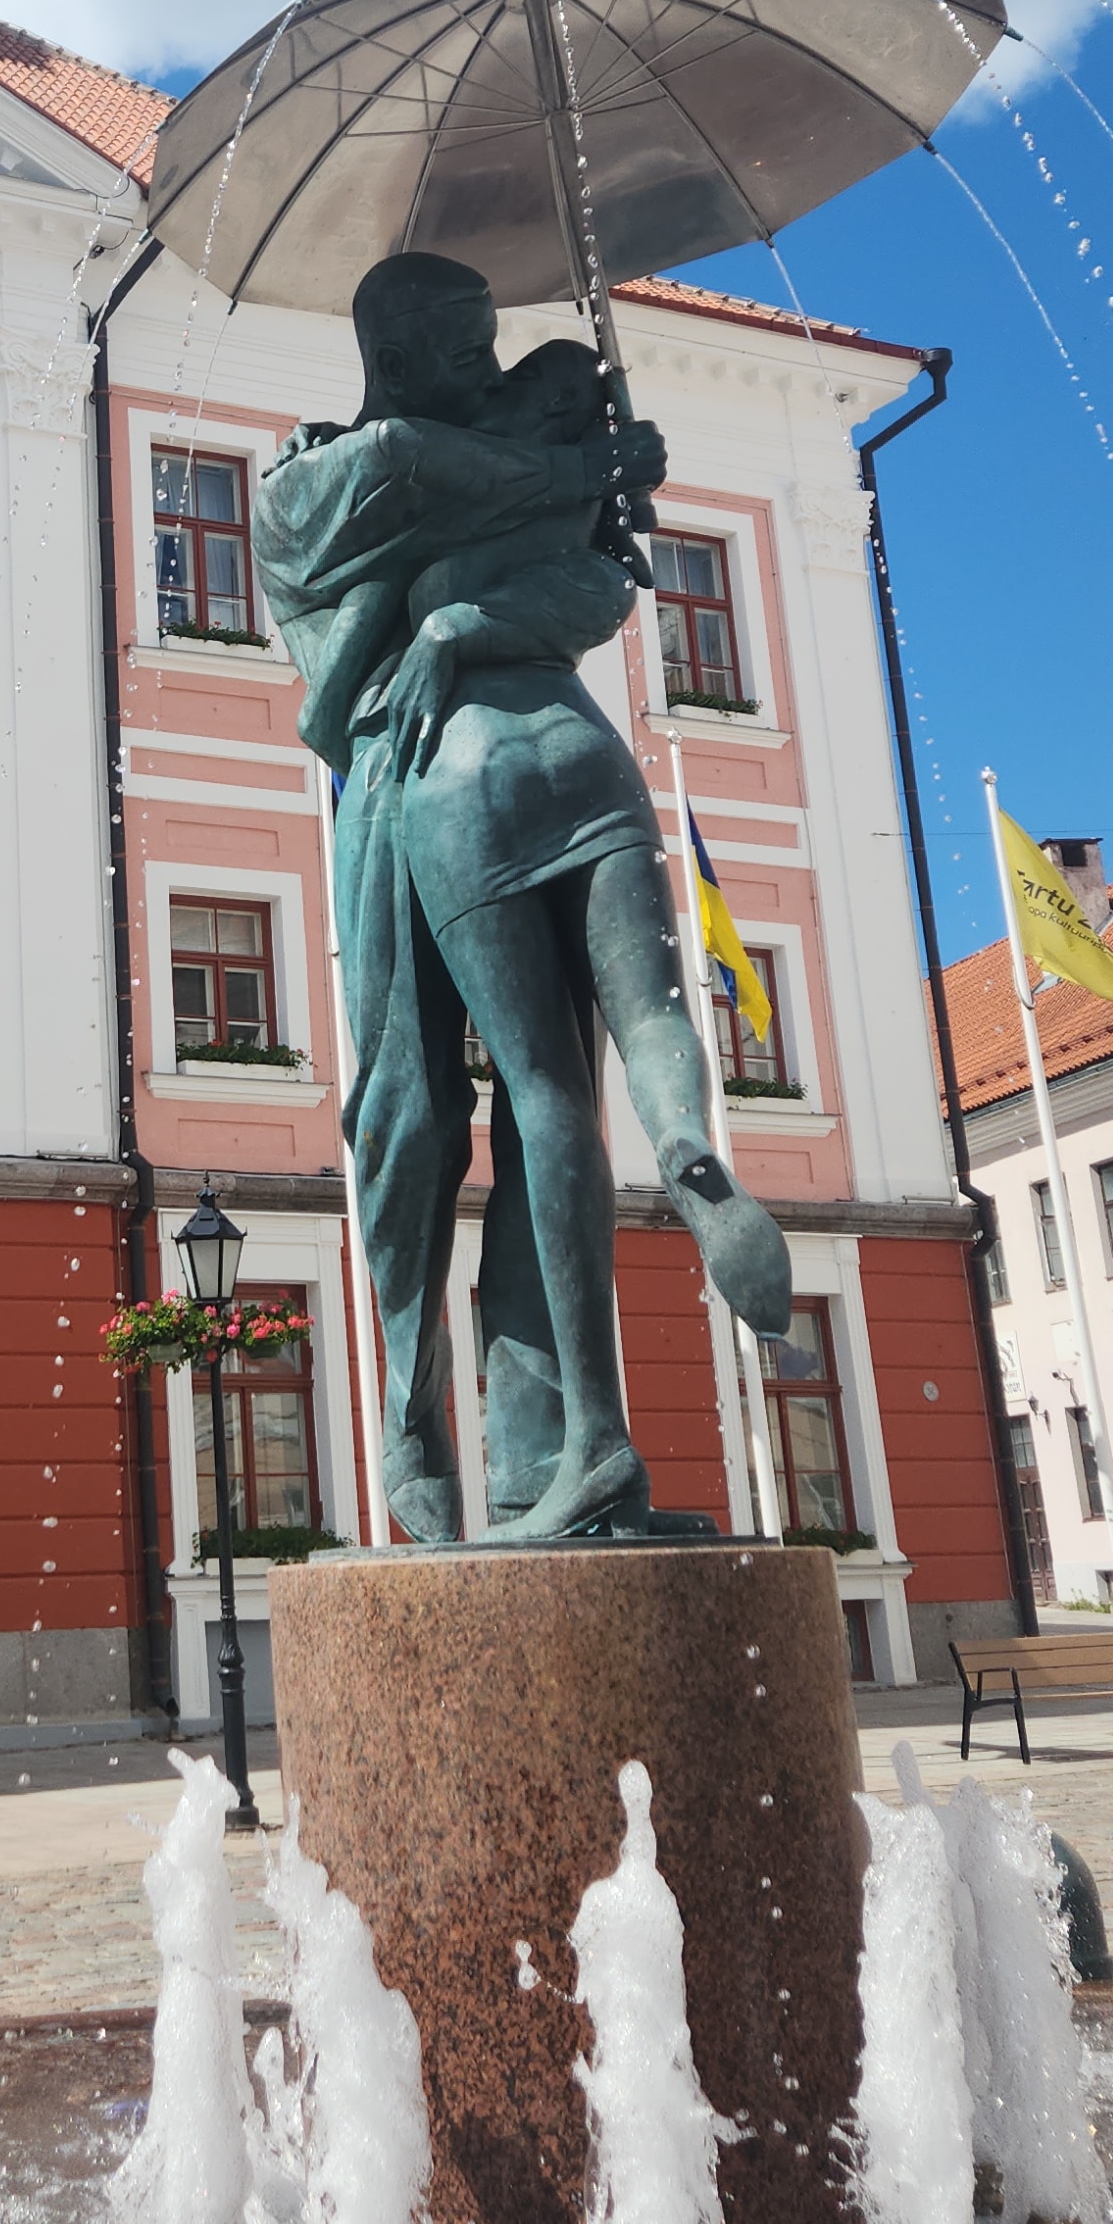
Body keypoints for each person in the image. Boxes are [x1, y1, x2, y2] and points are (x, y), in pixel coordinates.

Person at [256, 251, 791, 1542]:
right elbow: (405, 477)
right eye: (459, 344)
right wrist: (586, 469)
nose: (483, 367)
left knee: (503, 1105)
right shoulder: (322, 474)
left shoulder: (529, 426)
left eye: (491, 342)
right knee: (467, 1104)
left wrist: (599, 490)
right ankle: (431, 1413)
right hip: (498, 769)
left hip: (451, 778)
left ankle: (539, 1447)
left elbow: (603, 585)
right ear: (394, 349)